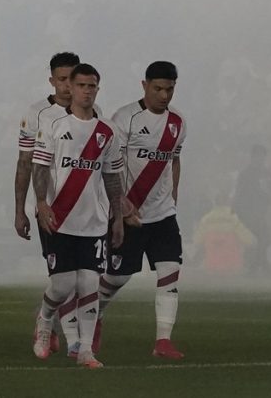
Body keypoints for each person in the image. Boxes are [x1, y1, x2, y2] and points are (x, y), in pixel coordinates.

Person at [31, 63, 124, 369]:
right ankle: (44, 320)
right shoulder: (54, 125)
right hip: (60, 218)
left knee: (89, 284)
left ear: (98, 88)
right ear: (70, 87)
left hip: (94, 221)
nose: (87, 91)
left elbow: (112, 176)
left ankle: (85, 350)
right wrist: (41, 203)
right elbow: (41, 167)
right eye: (82, 85)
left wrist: (118, 216)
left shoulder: (108, 131)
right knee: (61, 286)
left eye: (92, 86)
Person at [98, 61, 188, 359]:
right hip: (129, 214)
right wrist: (121, 208)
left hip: (163, 214)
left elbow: (173, 161)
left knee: (170, 271)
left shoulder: (178, 122)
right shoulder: (125, 119)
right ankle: (93, 316)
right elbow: (111, 167)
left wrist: (172, 195)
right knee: (117, 278)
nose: (164, 95)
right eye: (158, 88)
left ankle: (163, 341)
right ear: (144, 85)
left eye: (170, 89)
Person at [13, 52, 87, 356]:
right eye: (62, 79)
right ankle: (55, 328)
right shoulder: (37, 113)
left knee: (81, 279)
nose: (68, 86)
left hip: (86, 212)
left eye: (73, 79)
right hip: (51, 210)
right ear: (52, 80)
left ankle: (66, 337)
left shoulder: (92, 114)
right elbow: (24, 163)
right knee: (63, 279)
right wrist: (21, 209)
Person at [233, 144, 271, 275]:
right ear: (253, 157)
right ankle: (258, 265)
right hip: (248, 211)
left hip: (260, 211)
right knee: (264, 237)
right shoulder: (246, 174)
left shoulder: (266, 173)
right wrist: (239, 211)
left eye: (262, 157)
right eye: (258, 156)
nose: (261, 159)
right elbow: (240, 193)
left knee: (264, 238)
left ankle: (257, 265)